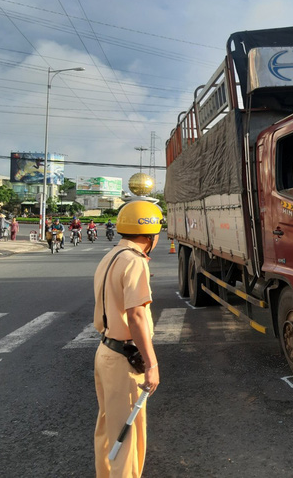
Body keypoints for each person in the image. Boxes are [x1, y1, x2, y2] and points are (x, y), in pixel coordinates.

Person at [93, 200, 162, 477]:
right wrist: (152, 364)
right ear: (150, 236)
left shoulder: (111, 256)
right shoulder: (134, 263)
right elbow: (135, 316)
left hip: (105, 352)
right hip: (124, 359)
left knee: (108, 428)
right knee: (127, 435)